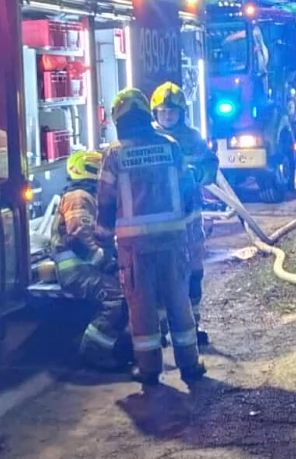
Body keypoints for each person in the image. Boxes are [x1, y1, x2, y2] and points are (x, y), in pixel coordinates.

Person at [96, 88, 205, 386]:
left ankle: (149, 369)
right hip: (173, 242)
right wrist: (191, 232)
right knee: (178, 301)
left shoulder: (115, 154)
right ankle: (190, 365)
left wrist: (103, 243)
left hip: (135, 248)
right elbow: (189, 192)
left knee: (142, 308)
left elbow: (105, 202)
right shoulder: (170, 146)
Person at [150, 82, 218, 347]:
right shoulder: (148, 139)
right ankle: (161, 327)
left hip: (189, 216)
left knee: (193, 271)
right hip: (159, 218)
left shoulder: (191, 138)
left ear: (181, 113)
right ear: (155, 113)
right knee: (159, 274)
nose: (168, 116)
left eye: (172, 112)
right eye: (163, 111)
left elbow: (210, 164)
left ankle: (194, 324)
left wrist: (198, 175)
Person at [54, 150, 130, 371]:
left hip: (85, 267)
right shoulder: (79, 197)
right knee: (117, 297)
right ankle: (94, 352)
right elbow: (80, 235)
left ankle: (118, 347)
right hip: (77, 270)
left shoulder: (87, 196)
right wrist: (105, 263)